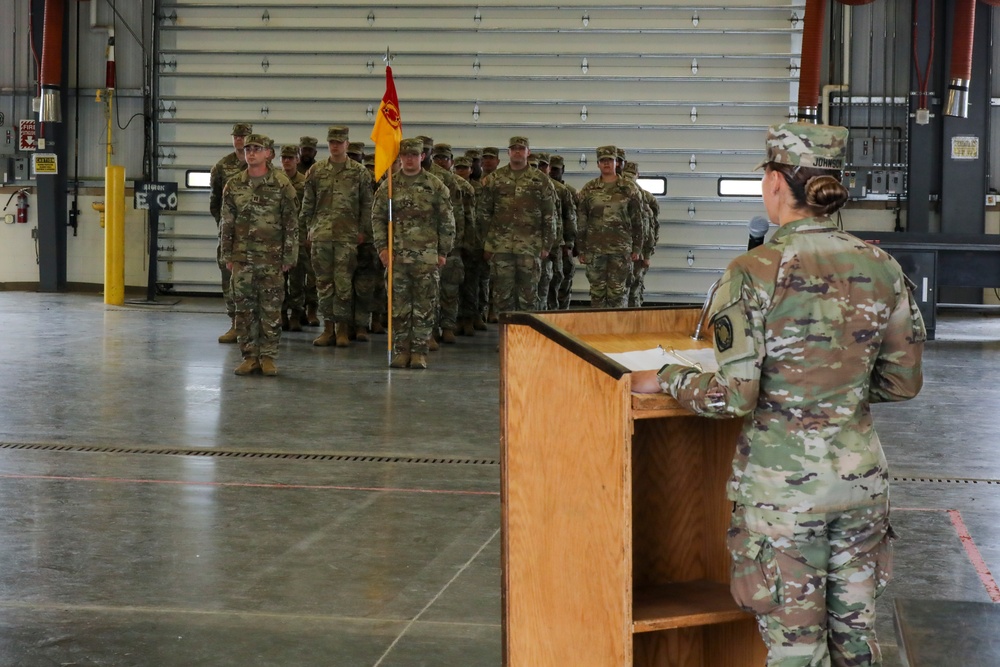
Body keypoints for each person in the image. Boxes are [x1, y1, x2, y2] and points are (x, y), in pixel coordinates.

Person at [632, 122, 926, 666]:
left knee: (797, 652)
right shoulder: (882, 265)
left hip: (783, 497)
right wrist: (835, 384)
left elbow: (736, 396)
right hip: (861, 485)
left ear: (774, 183)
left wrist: (668, 377)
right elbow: (902, 381)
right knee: (857, 646)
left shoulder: (753, 271)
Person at [371, 137, 455, 369]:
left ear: (422, 156)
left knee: (424, 306)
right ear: (399, 157)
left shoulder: (435, 186)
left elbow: (447, 221)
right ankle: (401, 350)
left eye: (413, 155)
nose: (408, 159)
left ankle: (419, 351)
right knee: (398, 307)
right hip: (397, 257)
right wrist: (382, 247)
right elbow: (378, 219)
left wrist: (443, 251)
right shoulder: (389, 187)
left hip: (426, 257)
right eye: (404, 155)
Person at [219, 133, 299, 376]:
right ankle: (249, 356)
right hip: (242, 259)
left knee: (271, 309)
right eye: (248, 148)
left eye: (257, 148)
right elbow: (227, 223)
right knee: (245, 309)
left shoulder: (282, 184)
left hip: (271, 258)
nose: (250, 152)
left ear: (268, 153)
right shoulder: (234, 185)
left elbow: (291, 224)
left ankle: (268, 356)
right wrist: (228, 256)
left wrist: (289, 257)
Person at [299, 125, 375, 348]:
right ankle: (328, 328)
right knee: (323, 283)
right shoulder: (317, 171)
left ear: (347, 144)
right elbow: (308, 204)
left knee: (343, 284)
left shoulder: (359, 172)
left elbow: (366, 204)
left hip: (347, 236)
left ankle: (343, 329)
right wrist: (308, 229)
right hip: (321, 235)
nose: (335, 146)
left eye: (339, 142)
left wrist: (363, 230)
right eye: (332, 142)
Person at [479, 136, 556, 315]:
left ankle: (525, 341)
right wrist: (487, 243)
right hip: (501, 247)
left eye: (521, 149)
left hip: (530, 247)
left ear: (528, 153)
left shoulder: (541, 181)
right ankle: (505, 341)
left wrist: (547, 245)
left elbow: (550, 215)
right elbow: (484, 214)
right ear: (508, 153)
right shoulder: (495, 179)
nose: (518, 152)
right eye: (514, 149)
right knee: (502, 297)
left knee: (528, 297)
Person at [575, 145, 643, 308]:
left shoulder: (629, 188)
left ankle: (618, 331)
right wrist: (581, 249)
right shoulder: (589, 189)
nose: (606, 164)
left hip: (620, 250)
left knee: (618, 294)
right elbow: (582, 220)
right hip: (595, 249)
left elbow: (638, 220)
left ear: (617, 163)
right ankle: (598, 331)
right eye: (603, 161)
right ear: (598, 164)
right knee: (597, 293)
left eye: (610, 160)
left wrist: (637, 248)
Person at [209, 121, 252, 343]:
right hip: (231, 235)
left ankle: (255, 326)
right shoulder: (222, 166)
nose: (239, 139)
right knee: (229, 278)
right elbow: (215, 202)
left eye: (243, 136)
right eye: (236, 136)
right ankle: (235, 323)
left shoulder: (259, 165)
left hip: (258, 236)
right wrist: (226, 225)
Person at [278, 144, 308, 332]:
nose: (287, 161)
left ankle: (296, 313)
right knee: (279, 278)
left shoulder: (305, 182)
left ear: (297, 159)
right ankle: (281, 313)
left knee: (297, 277)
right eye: (284, 158)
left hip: (298, 236)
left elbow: (309, 210)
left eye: (291, 157)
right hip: (277, 237)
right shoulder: (274, 181)